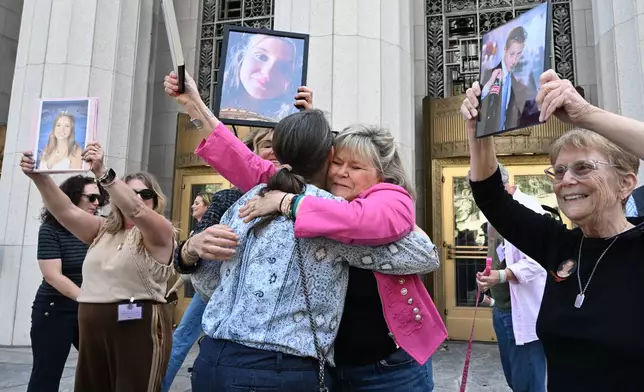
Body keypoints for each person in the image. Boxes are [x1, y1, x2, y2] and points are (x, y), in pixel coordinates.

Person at [165, 72, 446, 391]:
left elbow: (393, 237)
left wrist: (288, 203)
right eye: (337, 161)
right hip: (329, 367)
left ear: (382, 175)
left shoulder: (385, 198)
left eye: (355, 167)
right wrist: (196, 106)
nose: (341, 172)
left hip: (389, 366)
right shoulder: (310, 194)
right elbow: (248, 164)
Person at [460, 69, 644, 391]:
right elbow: (492, 198)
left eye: (583, 167)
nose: (566, 180)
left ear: (626, 183)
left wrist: (585, 115)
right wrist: (479, 131)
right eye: (558, 171)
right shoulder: (561, 245)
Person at [20, 143, 176, 392]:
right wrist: (40, 177)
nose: (137, 198)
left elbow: (135, 210)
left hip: (137, 326)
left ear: (155, 200)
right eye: (129, 191)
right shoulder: (102, 230)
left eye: (145, 194)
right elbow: (64, 210)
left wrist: (103, 173)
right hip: (92, 326)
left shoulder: (161, 231)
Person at [162, 126, 288, 392]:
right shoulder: (227, 199)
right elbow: (185, 256)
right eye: (266, 144)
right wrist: (192, 247)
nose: (274, 151)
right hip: (221, 303)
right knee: (183, 337)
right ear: (250, 154)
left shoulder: (306, 198)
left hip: (282, 349)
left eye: (284, 144)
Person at [26, 175, 106, 392]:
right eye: (91, 197)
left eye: (99, 198)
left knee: (103, 370)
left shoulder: (100, 229)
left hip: (90, 309)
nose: (97, 203)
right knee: (47, 375)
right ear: (72, 197)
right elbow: (53, 275)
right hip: (55, 310)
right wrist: (89, 299)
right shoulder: (50, 229)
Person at [474, 165, 547, 392]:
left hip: (523, 311)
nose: (478, 198)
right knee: (516, 380)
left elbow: (539, 259)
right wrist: (488, 276)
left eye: (481, 189)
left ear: (496, 185)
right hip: (503, 310)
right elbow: (497, 254)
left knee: (528, 382)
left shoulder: (528, 209)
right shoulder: (494, 211)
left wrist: (502, 275)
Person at [162, 192, 212, 392]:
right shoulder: (196, 234)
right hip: (204, 292)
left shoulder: (211, 230)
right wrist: (173, 289)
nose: (192, 206)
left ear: (208, 207)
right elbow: (190, 273)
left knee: (182, 338)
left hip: (209, 293)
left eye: (197, 203)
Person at [221, 33, 303, 122]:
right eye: (261, 57)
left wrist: (308, 119)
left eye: (283, 67)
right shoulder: (215, 104)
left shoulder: (290, 119)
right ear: (241, 57)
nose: (267, 73)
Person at [479, 26, 538, 135]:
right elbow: (479, 108)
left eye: (519, 54)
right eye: (512, 54)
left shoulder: (516, 83)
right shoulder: (489, 74)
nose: (515, 60)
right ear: (505, 51)